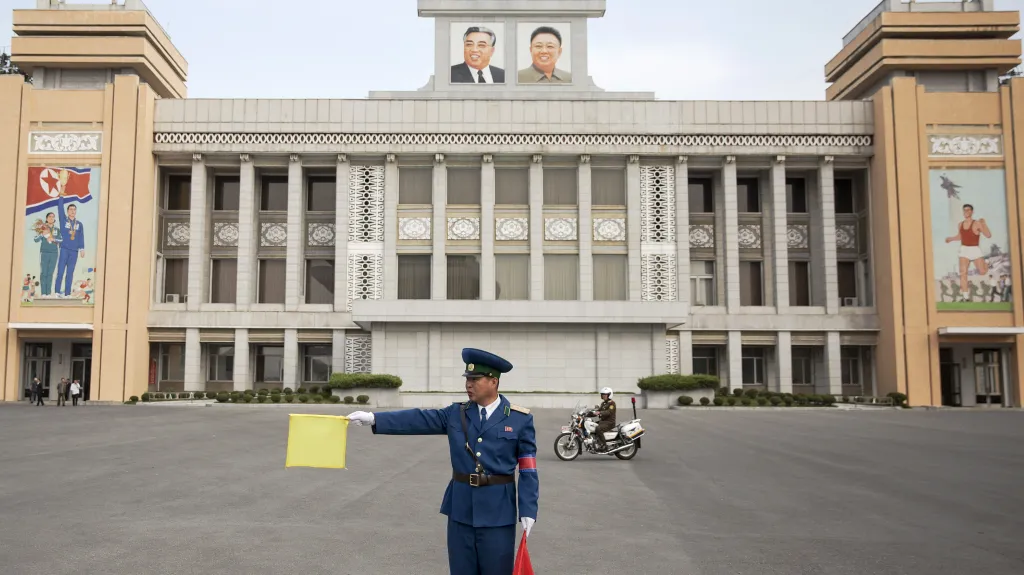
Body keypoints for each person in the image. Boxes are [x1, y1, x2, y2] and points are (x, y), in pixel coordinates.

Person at [347, 348, 539, 575]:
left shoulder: (519, 419)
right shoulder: (455, 414)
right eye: (467, 379)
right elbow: (418, 419)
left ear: (493, 382)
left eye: (475, 379)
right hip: (461, 511)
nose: (468, 384)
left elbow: (528, 470)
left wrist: (528, 509)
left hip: (498, 514)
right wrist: (374, 418)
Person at [945, 204, 993, 302]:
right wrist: (951, 239)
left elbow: (988, 235)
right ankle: (965, 297)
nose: (966, 212)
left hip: (975, 249)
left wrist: (984, 224)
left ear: (972, 211)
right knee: (963, 273)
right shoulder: (960, 224)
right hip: (964, 250)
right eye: (964, 210)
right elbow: (960, 236)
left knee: (983, 272)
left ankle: (987, 263)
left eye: (968, 210)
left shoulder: (977, 223)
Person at [54, 185, 86, 299]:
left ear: (76, 211)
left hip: (74, 251)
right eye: (70, 209)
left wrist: (82, 248)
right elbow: (59, 208)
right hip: (64, 249)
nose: (72, 211)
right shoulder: (63, 220)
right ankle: (57, 292)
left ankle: (67, 293)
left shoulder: (79, 224)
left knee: (70, 273)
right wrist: (61, 195)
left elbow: (81, 236)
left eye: (74, 209)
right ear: (67, 212)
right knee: (61, 271)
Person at [590, 387, 616, 451]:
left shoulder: (612, 403)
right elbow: (598, 411)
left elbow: (608, 412)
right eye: (603, 395)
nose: (603, 396)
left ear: (609, 395)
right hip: (603, 422)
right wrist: (587, 414)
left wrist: (600, 412)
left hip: (609, 423)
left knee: (598, 428)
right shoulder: (603, 403)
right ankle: (596, 442)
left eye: (605, 395)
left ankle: (604, 445)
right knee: (592, 425)